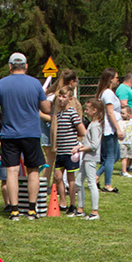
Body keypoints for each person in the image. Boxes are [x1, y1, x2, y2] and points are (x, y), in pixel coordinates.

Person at [0, 52, 50, 220]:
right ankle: (32, 209)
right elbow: (46, 108)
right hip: (31, 133)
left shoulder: (2, 84)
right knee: (33, 170)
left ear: (10, 66)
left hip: (9, 134)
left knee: (12, 171)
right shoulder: (35, 83)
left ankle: (14, 210)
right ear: (26, 66)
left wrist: (5, 117)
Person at [51, 85, 85, 217]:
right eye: (59, 96)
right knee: (57, 177)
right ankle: (63, 202)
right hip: (60, 151)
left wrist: (79, 145)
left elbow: (82, 131)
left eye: (64, 97)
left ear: (70, 99)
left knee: (71, 178)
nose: (61, 99)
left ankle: (72, 204)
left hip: (70, 152)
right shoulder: (59, 114)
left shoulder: (72, 113)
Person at [94, 67, 123, 193]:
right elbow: (110, 113)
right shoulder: (107, 93)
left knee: (116, 156)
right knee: (111, 156)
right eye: (116, 78)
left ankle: (96, 176)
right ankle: (107, 184)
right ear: (110, 79)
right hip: (109, 129)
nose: (118, 80)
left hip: (111, 128)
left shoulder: (108, 93)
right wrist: (118, 129)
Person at [74, 99, 103, 220]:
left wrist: (80, 149)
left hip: (91, 158)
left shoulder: (95, 126)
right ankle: (80, 209)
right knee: (78, 182)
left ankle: (95, 212)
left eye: (87, 109)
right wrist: (81, 146)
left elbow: (94, 145)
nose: (85, 111)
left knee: (91, 183)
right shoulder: (92, 124)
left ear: (94, 110)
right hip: (86, 157)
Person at [116, 72, 132, 158]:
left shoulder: (127, 89)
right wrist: (129, 116)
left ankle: (131, 160)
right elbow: (124, 104)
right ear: (131, 80)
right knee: (131, 142)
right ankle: (128, 161)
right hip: (129, 119)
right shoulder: (123, 89)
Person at [118, 106, 132, 177]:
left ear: (128, 113)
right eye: (121, 113)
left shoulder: (131, 121)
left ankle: (124, 170)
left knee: (128, 157)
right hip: (122, 142)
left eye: (123, 113)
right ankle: (124, 171)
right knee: (124, 157)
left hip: (130, 142)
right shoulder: (119, 122)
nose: (121, 115)